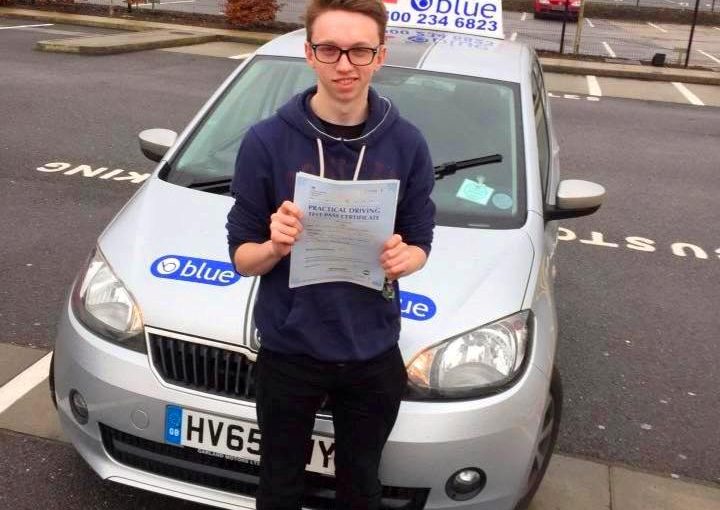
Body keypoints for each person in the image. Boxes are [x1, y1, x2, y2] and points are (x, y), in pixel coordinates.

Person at [225, 0, 435, 507]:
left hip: (371, 350)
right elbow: (241, 258)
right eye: (330, 49)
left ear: (380, 56)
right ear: (309, 54)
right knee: (278, 484)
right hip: (289, 350)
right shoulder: (266, 142)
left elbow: (420, 241)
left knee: (361, 486)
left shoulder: (407, 144)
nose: (345, 64)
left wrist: (409, 259)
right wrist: (274, 245)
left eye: (360, 50)